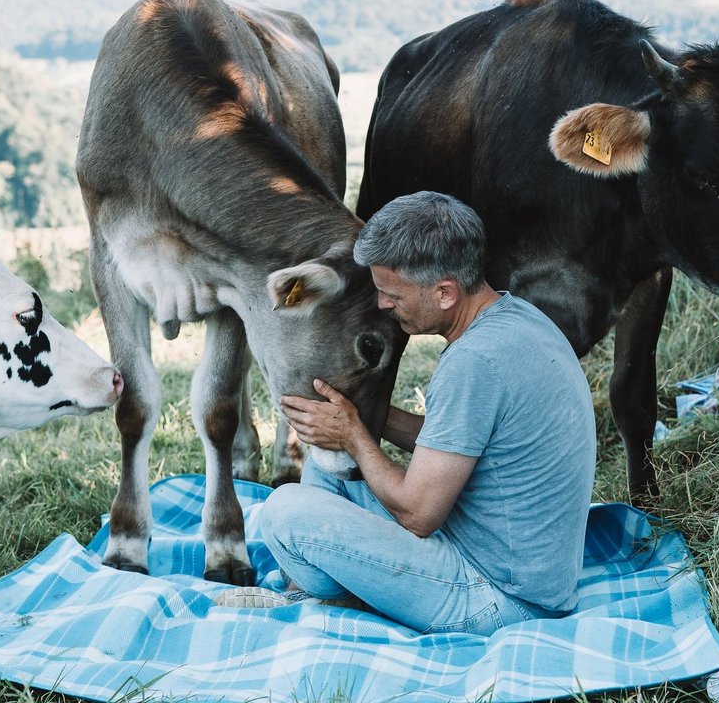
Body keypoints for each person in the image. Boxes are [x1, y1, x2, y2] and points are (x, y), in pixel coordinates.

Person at [217, 191, 596, 635]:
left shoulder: (473, 362)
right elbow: (461, 440)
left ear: (445, 292)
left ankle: (323, 598)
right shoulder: (515, 317)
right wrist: (355, 416)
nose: (382, 305)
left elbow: (418, 514)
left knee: (284, 512)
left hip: (501, 598)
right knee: (328, 467)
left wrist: (356, 437)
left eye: (390, 293)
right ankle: (330, 588)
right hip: (515, 565)